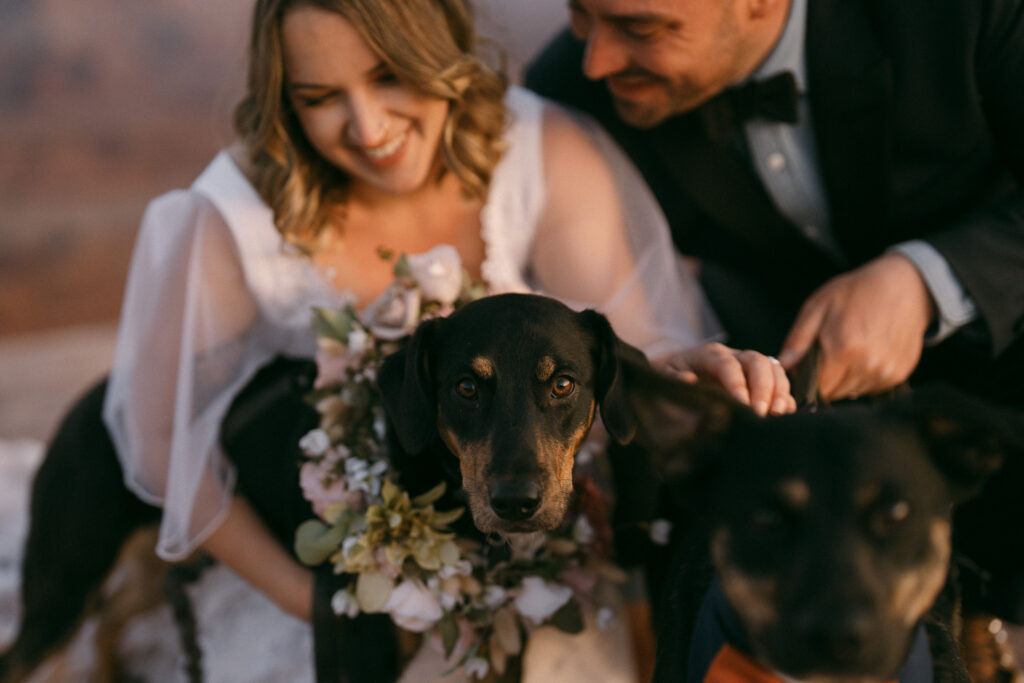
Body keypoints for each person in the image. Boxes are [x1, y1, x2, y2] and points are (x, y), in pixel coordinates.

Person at [6, 0, 793, 680]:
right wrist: (319, 604)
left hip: (525, 538)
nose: (368, 126)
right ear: (284, 101)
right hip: (298, 554)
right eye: (319, 96)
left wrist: (682, 371)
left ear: (442, 52)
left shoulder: (546, 152)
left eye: (389, 75)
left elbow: (629, 353)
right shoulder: (227, 218)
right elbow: (158, 441)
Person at [524, 0, 1024, 654]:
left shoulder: (963, 14)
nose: (597, 59)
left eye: (640, 28)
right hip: (791, 491)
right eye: (583, 14)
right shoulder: (567, 96)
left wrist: (927, 281)